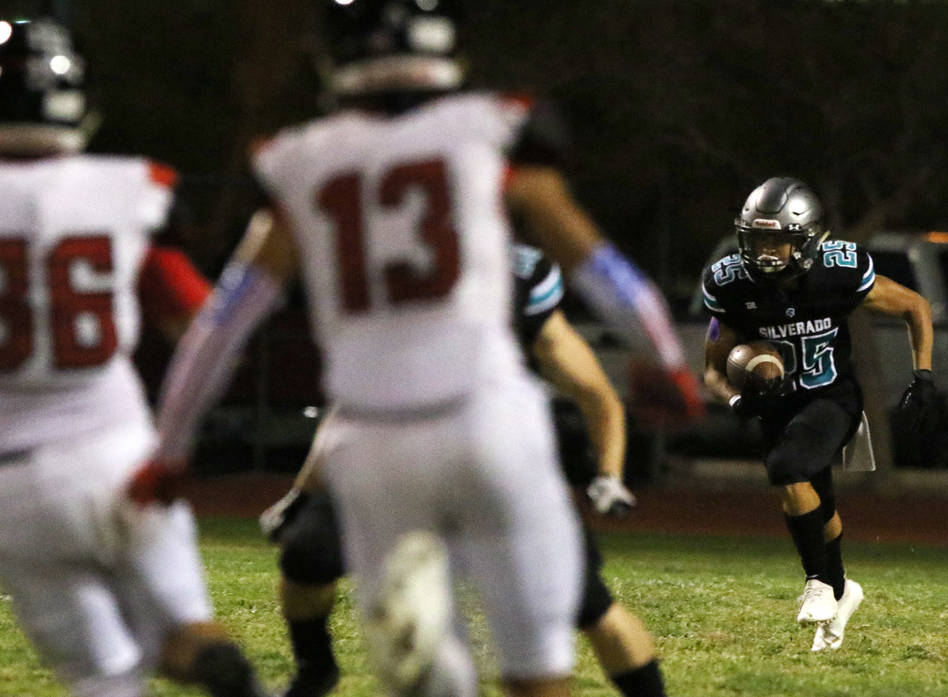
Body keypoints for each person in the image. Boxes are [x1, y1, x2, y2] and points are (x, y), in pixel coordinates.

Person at [128, 2, 702, 697]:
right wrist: (665, 354)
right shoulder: (492, 130)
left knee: (427, 676)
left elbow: (223, 325)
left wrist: (169, 449)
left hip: (375, 443)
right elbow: (596, 262)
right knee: (539, 672)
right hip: (489, 419)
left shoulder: (303, 160)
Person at [261, 242, 671, 697]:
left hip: (492, 455)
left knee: (587, 605)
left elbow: (598, 394)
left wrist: (610, 476)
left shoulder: (516, 280)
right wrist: (302, 492)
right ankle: (314, 671)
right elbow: (352, 401)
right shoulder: (388, 282)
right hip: (397, 454)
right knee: (306, 553)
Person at [0, 17, 268, 697]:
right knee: (182, 631)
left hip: (16, 479)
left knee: (102, 675)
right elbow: (200, 323)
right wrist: (176, 438)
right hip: (118, 452)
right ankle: (212, 661)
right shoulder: (126, 190)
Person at [698, 177, 936, 652]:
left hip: (832, 397)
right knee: (814, 502)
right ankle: (843, 590)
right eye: (758, 238)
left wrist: (923, 375)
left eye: (779, 240)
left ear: (806, 240)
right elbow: (712, 369)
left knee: (787, 468)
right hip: (776, 404)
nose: (766, 252)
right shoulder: (729, 281)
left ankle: (818, 582)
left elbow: (915, 305)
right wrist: (737, 399)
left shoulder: (840, 269)